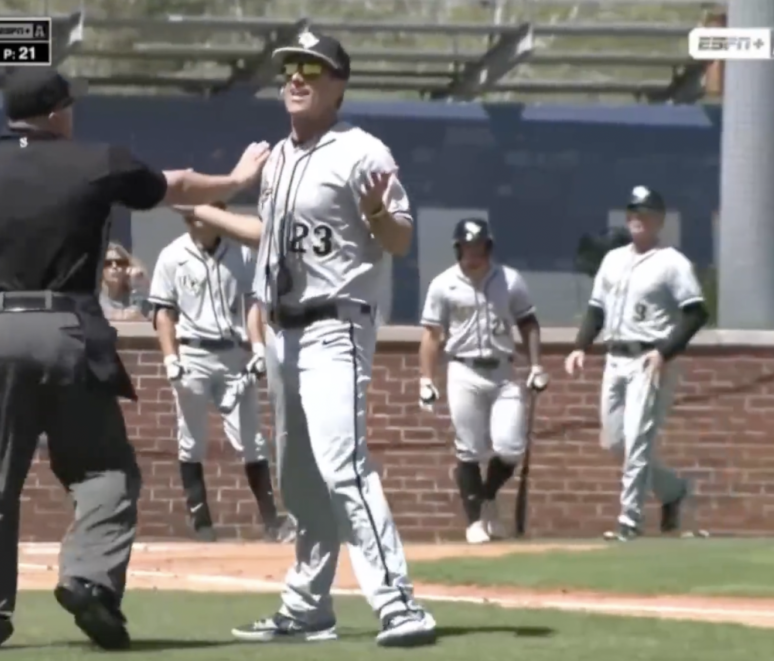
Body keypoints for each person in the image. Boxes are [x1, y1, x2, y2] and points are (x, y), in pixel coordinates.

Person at [0, 66, 270, 651]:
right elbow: (177, 185)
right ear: (58, 111)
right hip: (70, 331)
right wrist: (236, 177)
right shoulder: (97, 161)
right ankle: (90, 579)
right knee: (104, 471)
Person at [174, 30, 435, 648]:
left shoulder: (362, 150)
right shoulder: (278, 158)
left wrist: (377, 214)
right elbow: (269, 235)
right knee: (299, 479)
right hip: (283, 333)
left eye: (312, 69)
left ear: (338, 84)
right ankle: (307, 607)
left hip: (336, 326)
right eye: (291, 67)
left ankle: (400, 605)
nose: (296, 77)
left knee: (344, 465)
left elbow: (399, 237)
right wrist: (203, 211)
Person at [564, 185, 708, 542]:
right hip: (614, 357)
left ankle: (630, 520)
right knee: (614, 441)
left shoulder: (672, 262)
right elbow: (596, 308)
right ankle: (673, 491)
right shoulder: (613, 259)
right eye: (633, 212)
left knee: (637, 440)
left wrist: (665, 351)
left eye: (645, 213)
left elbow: (696, 313)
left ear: (659, 219)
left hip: (649, 358)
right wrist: (580, 346)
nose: (638, 219)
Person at [149, 201, 290, 544]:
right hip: (192, 352)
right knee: (191, 440)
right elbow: (163, 311)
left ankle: (272, 522)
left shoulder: (241, 252)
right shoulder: (172, 255)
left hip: (232, 353)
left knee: (252, 440)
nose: (193, 219)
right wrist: (170, 358)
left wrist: (258, 347)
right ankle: (202, 524)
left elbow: (253, 303)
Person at [417, 218, 548, 545]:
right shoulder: (443, 284)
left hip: (503, 369)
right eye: (466, 247)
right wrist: (426, 379)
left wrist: (536, 365)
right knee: (470, 448)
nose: (472, 254)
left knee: (510, 447)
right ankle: (475, 520)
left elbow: (528, 323)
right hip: (463, 369)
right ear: (457, 248)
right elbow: (432, 335)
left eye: (478, 247)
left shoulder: (509, 280)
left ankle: (487, 497)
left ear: (488, 247)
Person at [99, 242, 152, 321]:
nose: (114, 266)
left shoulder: (132, 294)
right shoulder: (96, 297)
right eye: (108, 263)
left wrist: (138, 283)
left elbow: (151, 314)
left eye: (120, 263)